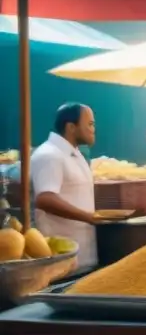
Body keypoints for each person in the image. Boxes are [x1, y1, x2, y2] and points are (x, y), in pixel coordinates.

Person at [31, 104, 99, 267]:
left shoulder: (75, 154)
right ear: (71, 127)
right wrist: (89, 217)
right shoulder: (50, 155)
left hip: (84, 256)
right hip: (62, 261)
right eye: (89, 124)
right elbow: (45, 199)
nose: (93, 129)